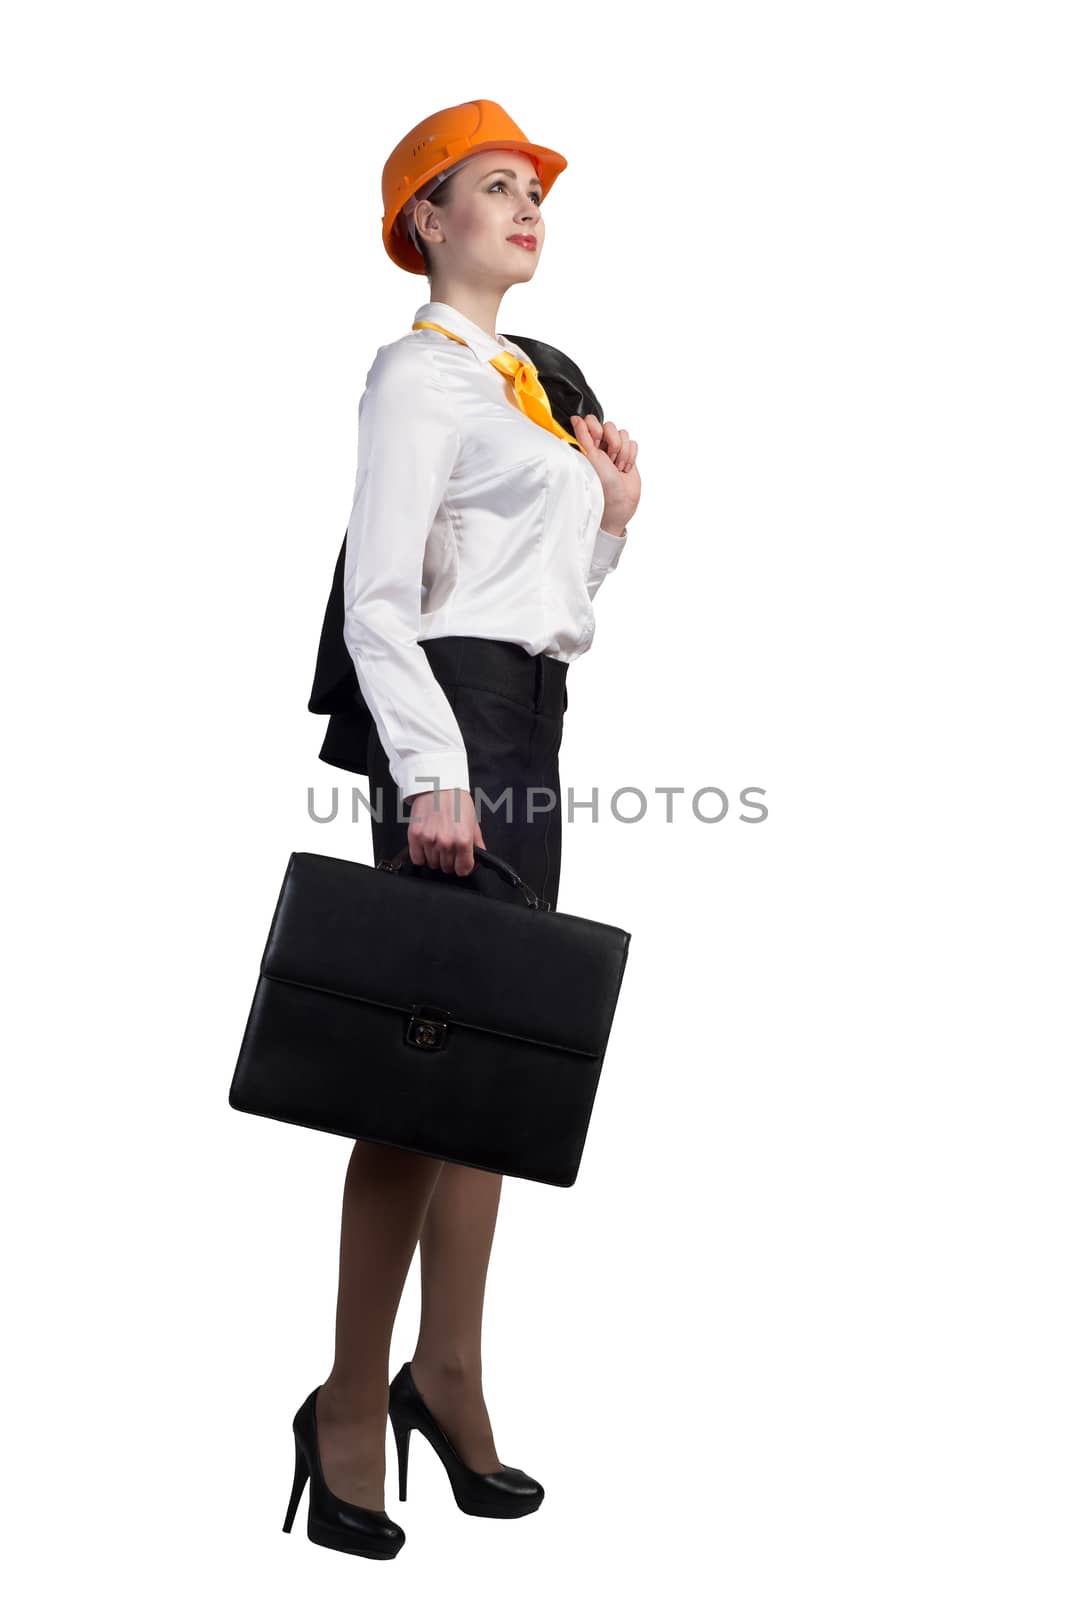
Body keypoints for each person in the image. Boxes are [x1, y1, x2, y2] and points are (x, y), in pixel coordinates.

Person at [283, 99, 642, 1560]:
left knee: (488, 1074)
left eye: (532, 188)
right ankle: (351, 1402)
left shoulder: (527, 388)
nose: (524, 204)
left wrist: (612, 515)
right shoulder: (417, 379)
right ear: (425, 222)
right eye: (492, 187)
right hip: (456, 731)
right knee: (416, 1069)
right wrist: (430, 769)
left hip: (527, 724)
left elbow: (543, 603)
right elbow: (385, 595)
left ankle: (450, 1377)